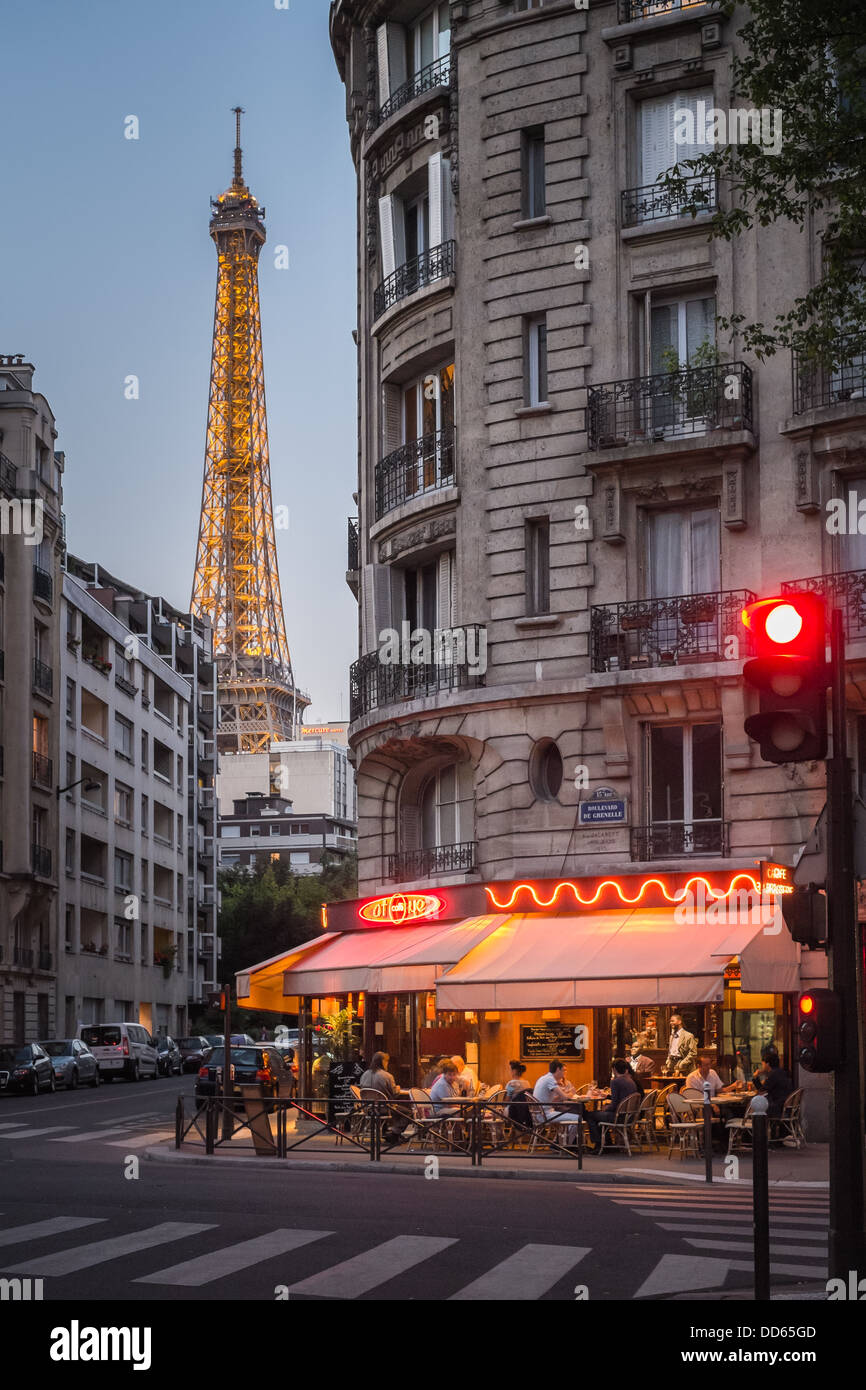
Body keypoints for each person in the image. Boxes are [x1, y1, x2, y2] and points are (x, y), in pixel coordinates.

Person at [532, 1060, 591, 1150]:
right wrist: (571, 1093)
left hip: (540, 1113)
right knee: (578, 1118)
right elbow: (565, 1097)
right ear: (558, 1069)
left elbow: (555, 1099)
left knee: (573, 1115)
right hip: (545, 1114)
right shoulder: (550, 1079)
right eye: (563, 1070)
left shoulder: (544, 1078)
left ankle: (560, 1143)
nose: (564, 1073)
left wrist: (566, 1094)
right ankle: (565, 1146)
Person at [359, 1051, 412, 1143]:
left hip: (369, 1109)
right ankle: (394, 1133)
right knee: (408, 1113)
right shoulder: (387, 1076)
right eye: (387, 1061)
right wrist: (398, 1088)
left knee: (397, 1109)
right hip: (384, 1108)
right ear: (383, 1061)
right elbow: (395, 1094)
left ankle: (387, 1132)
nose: (387, 1063)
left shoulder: (364, 1075)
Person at [584, 1059, 637, 1149]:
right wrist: (608, 1097)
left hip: (619, 1117)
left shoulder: (615, 1081)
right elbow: (622, 1098)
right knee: (598, 1115)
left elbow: (614, 1104)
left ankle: (599, 1144)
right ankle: (606, 1143)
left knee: (590, 1115)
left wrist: (606, 1108)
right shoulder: (630, 1080)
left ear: (614, 1069)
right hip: (629, 1116)